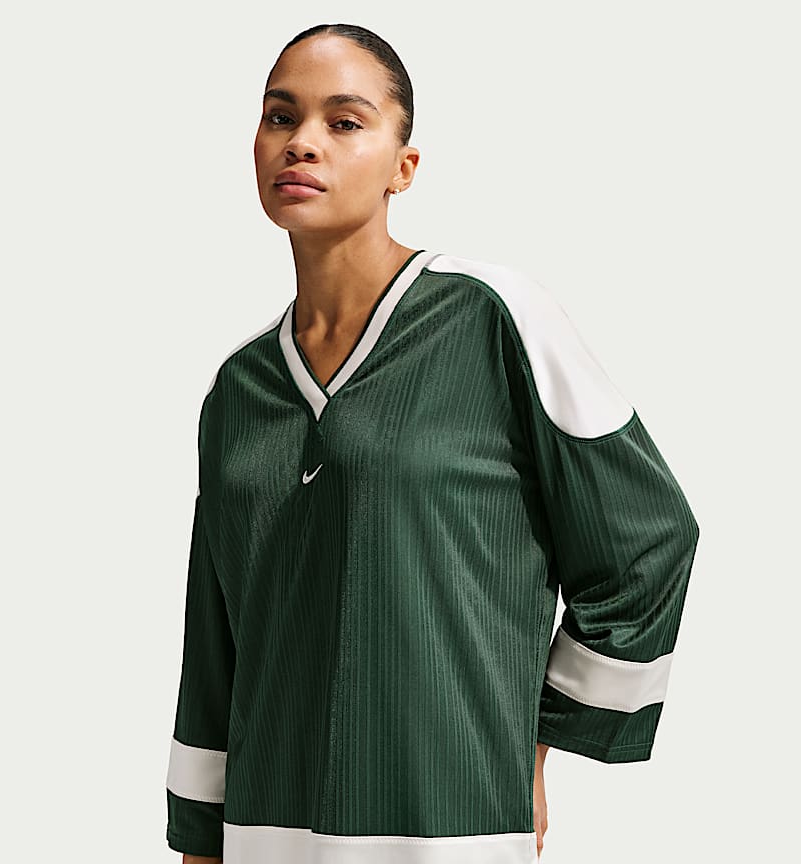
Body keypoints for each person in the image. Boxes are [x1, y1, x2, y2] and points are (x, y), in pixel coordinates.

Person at [164, 22, 700, 864]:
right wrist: (199, 840)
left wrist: (539, 742)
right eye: (280, 116)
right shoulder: (239, 388)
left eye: (345, 121)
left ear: (403, 167)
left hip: (450, 828)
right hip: (264, 835)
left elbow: (649, 540)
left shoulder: (493, 317)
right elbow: (214, 641)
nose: (302, 142)